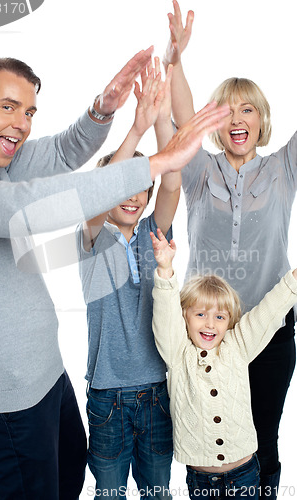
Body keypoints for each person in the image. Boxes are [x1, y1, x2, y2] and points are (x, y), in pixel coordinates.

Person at [0, 51, 229, 500]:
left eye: (29, 111)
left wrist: (115, 111)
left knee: (83, 481)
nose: (22, 123)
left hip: (56, 379)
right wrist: (156, 159)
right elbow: (37, 204)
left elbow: (67, 153)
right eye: (8, 106)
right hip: (17, 396)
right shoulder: (87, 234)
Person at [162, 1, 296, 496]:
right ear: (213, 122)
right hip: (206, 336)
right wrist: (175, 60)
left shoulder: (284, 168)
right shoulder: (199, 172)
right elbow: (182, 117)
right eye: (226, 110)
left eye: (248, 109)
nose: (238, 119)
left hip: (270, 334)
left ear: (262, 120)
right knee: (213, 446)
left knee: (264, 437)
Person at [76, 59, 177, 499]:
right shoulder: (92, 238)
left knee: (158, 491)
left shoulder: (156, 232)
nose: (133, 196)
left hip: (156, 390)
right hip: (107, 398)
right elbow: (101, 195)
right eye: (124, 185)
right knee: (110, 494)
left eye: (140, 186)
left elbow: (172, 182)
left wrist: (158, 124)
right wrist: (134, 129)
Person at [150, 228, 297, 500]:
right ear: (185, 317)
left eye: (220, 317)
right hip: (200, 481)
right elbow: (165, 315)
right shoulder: (178, 353)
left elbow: (269, 311)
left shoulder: (237, 346)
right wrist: (165, 271)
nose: (209, 323)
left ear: (230, 322)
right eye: (201, 314)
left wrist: (293, 281)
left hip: (244, 475)